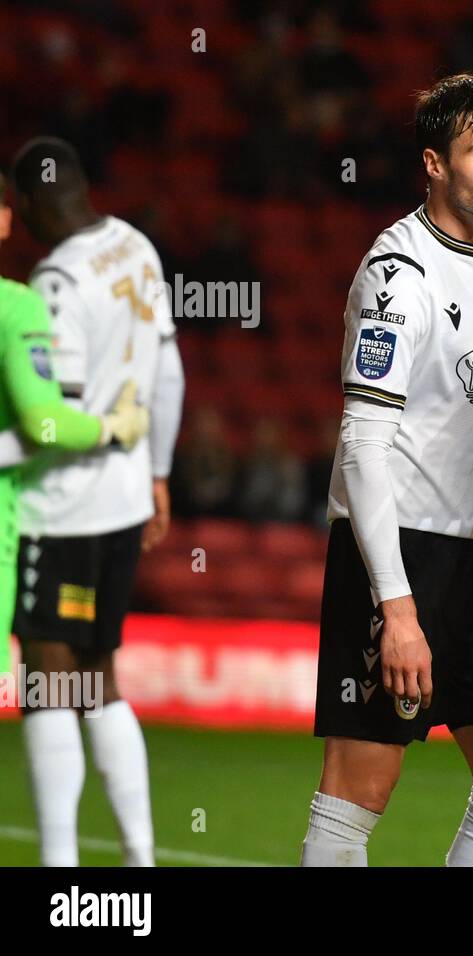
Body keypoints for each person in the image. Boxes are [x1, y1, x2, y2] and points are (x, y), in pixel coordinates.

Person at [302, 74, 473, 867]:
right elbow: (362, 446)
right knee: (361, 786)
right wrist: (399, 608)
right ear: (434, 164)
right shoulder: (397, 278)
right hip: (397, 550)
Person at [9, 137, 185, 867]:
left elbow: (58, 427)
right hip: (122, 498)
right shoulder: (134, 245)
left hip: (65, 508)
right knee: (100, 679)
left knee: (49, 682)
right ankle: (139, 860)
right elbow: (168, 368)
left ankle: (59, 869)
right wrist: (158, 471)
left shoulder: (54, 284)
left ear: (32, 204)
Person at [0, 168, 149, 676]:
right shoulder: (16, 305)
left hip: (84, 512)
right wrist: (111, 428)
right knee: (89, 679)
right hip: (84, 504)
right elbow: (46, 424)